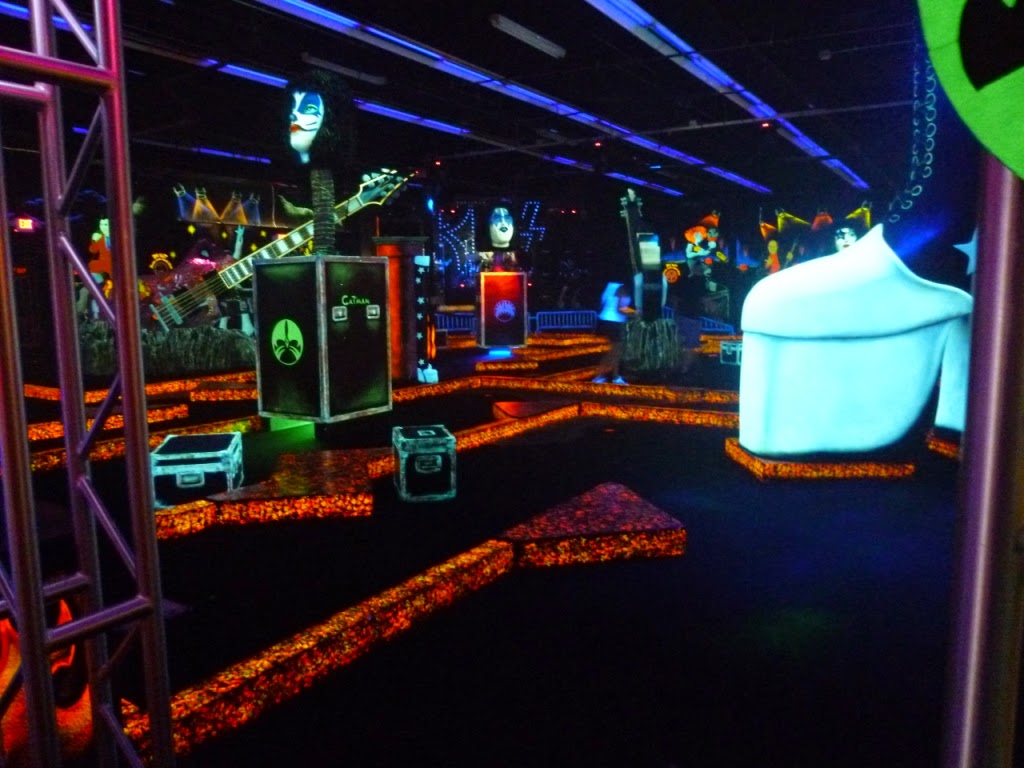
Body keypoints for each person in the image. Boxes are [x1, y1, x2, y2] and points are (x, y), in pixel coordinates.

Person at [592, 281, 634, 384]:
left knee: (613, 352)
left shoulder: (610, 287)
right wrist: (635, 313)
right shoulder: (621, 289)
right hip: (614, 323)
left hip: (606, 321)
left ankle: (611, 376)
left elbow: (602, 304)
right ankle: (602, 376)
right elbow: (621, 309)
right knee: (614, 352)